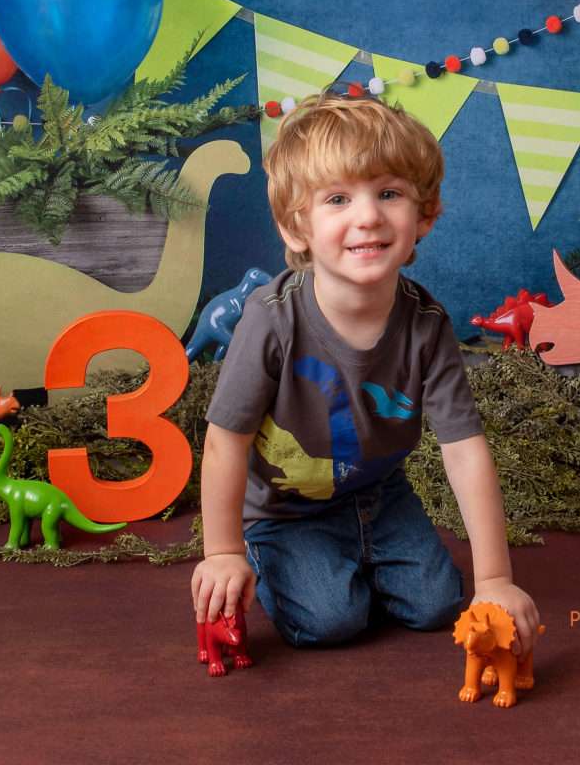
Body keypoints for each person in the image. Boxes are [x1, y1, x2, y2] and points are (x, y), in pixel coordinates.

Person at [190, 90, 540, 653]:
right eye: (337, 199)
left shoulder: (425, 324)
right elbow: (225, 441)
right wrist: (223, 550)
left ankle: (357, 554)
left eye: (388, 193)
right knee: (332, 621)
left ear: (423, 214)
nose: (368, 216)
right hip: (286, 510)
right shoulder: (272, 321)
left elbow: (464, 447)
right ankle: (284, 555)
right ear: (295, 227)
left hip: (379, 494)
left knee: (437, 605)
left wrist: (495, 578)